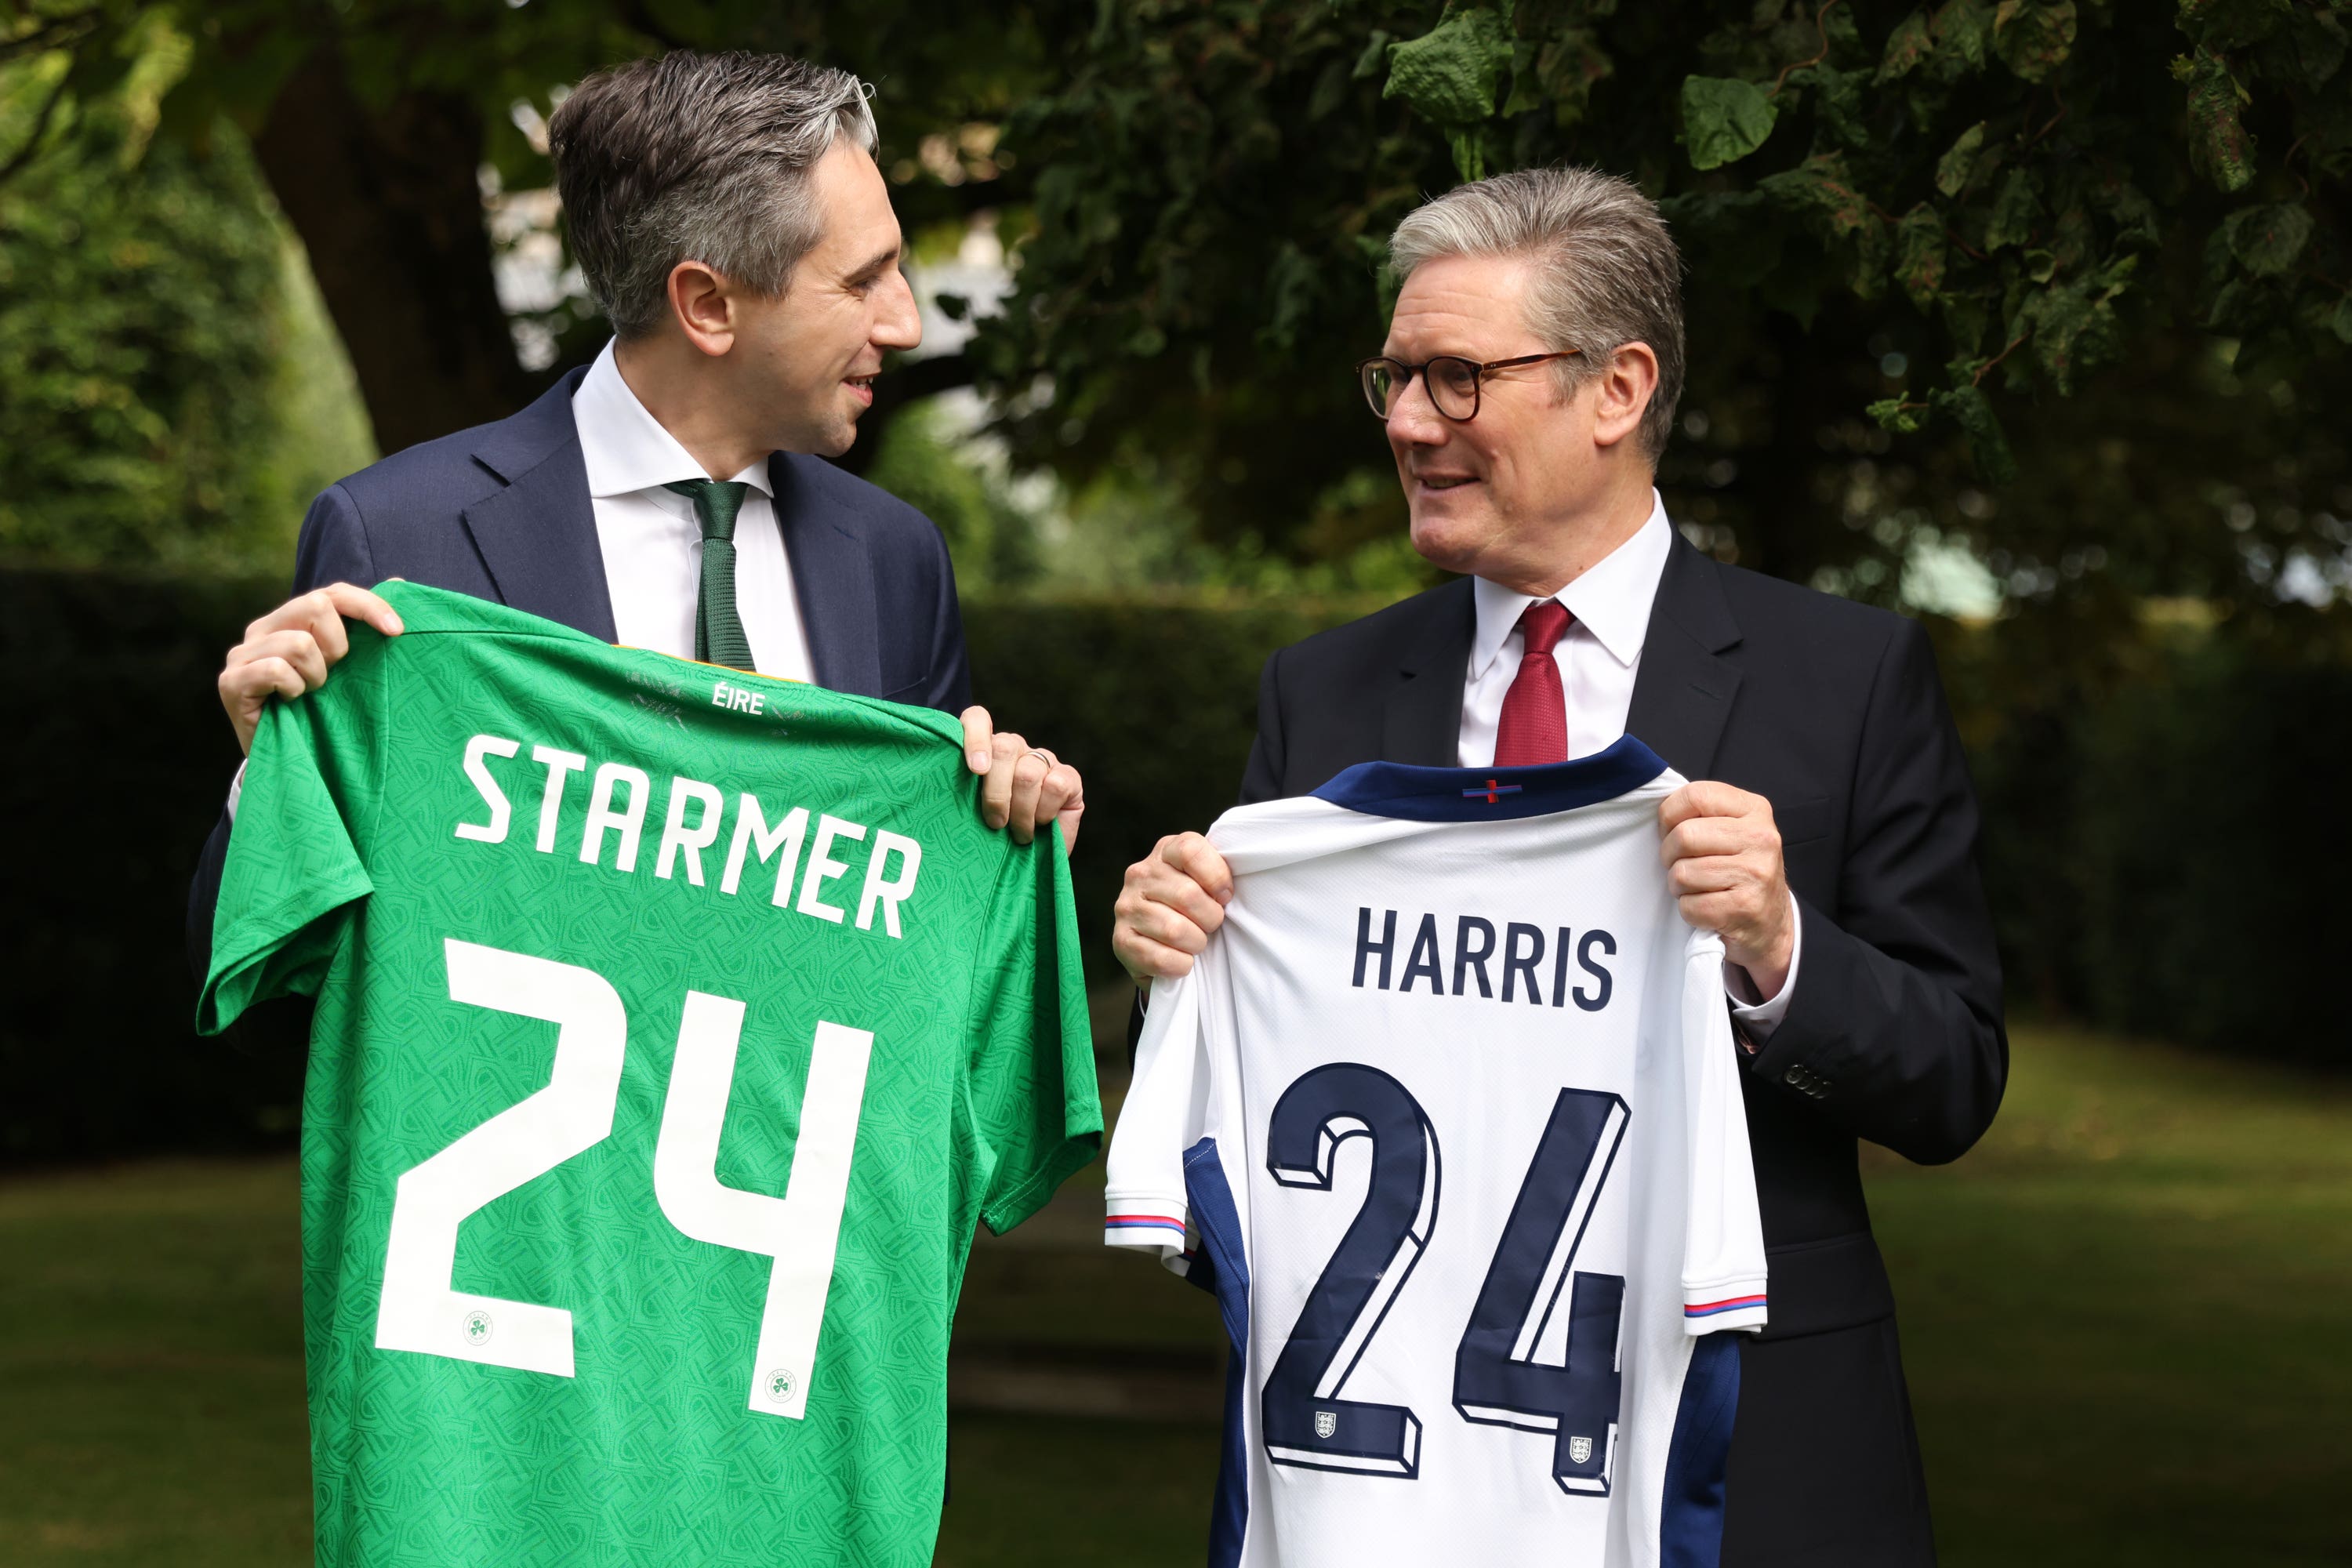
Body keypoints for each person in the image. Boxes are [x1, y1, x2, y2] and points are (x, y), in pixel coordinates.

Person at [1112, 167, 2005, 1566]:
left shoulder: (1844, 678)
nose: (1411, 424)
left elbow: (1955, 1080)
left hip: (1745, 1459)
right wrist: (1170, 971)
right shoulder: (1325, 696)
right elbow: (1238, 1111)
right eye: (1397, 380)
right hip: (1389, 1479)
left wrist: (1780, 953)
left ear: (1617, 387)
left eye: (1458, 379)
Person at [187, 50, 1082, 970]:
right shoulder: (400, 537)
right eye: (862, 282)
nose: (906, 323)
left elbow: (924, 965)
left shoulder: (896, 558)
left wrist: (1003, 853)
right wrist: (274, 775)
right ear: (706, 304)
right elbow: (274, 972)